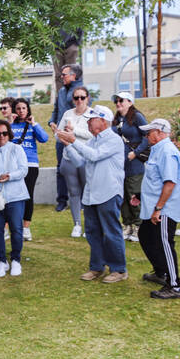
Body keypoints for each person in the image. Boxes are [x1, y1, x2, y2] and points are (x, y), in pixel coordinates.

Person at [60, 105, 127, 283]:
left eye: (92, 119)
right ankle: (97, 267)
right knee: (93, 232)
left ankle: (119, 269)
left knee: (111, 231)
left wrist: (73, 141)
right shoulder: (93, 140)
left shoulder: (113, 140)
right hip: (91, 194)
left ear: (103, 121)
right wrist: (67, 145)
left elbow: (95, 155)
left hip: (108, 192)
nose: (89, 122)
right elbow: (80, 161)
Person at [135, 119, 180, 300]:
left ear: (159, 132)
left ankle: (175, 285)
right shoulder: (158, 150)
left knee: (165, 243)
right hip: (154, 207)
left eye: (150, 132)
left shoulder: (167, 151)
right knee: (145, 236)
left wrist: (159, 208)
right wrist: (141, 197)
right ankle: (160, 272)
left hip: (164, 209)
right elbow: (155, 180)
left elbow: (170, 183)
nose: (147, 136)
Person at [0, 120, 28, 278]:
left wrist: (9, 176)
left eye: (4, 133)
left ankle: (16, 259)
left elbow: (24, 170)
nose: (1, 136)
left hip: (16, 196)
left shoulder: (17, 149)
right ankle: (2, 261)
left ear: (9, 134)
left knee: (16, 228)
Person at [111, 91, 149, 242]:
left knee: (134, 193)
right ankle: (127, 224)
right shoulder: (117, 119)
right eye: (117, 101)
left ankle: (139, 226)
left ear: (130, 102)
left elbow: (147, 136)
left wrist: (136, 153)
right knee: (124, 196)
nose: (118, 103)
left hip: (134, 163)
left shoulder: (137, 117)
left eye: (121, 100)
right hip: (120, 164)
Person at [56, 85, 93, 237]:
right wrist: (64, 134)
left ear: (87, 98)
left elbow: (94, 134)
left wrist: (74, 132)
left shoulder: (92, 114)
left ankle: (90, 224)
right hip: (68, 157)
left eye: (82, 97)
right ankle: (77, 224)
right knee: (74, 192)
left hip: (86, 157)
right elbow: (58, 134)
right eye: (76, 98)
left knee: (88, 192)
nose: (79, 100)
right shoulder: (67, 113)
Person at [49, 63, 85, 214]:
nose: (61, 77)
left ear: (74, 76)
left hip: (77, 139)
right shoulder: (62, 91)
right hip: (61, 138)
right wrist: (51, 121)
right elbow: (56, 110)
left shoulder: (82, 92)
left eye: (64, 74)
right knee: (61, 169)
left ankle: (82, 201)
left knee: (81, 168)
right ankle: (62, 201)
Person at [11, 98, 49, 241]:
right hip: (13, 166)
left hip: (30, 165)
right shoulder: (11, 126)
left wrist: (35, 123)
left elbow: (44, 138)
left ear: (28, 110)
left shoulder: (32, 126)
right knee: (12, 196)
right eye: (18, 108)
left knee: (28, 196)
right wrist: (9, 121)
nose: (21, 111)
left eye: (24, 108)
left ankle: (26, 228)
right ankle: (9, 227)